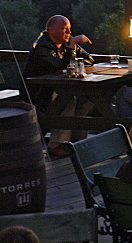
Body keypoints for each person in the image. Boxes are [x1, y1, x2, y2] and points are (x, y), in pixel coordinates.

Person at [23, 15, 94, 156]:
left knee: (87, 99)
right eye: (64, 29)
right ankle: (56, 144)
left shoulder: (65, 43)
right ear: (51, 30)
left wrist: (72, 50)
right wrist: (72, 46)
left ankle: (75, 140)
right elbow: (60, 64)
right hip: (38, 92)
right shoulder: (42, 47)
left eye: (69, 29)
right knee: (67, 100)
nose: (69, 33)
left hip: (57, 88)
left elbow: (89, 60)